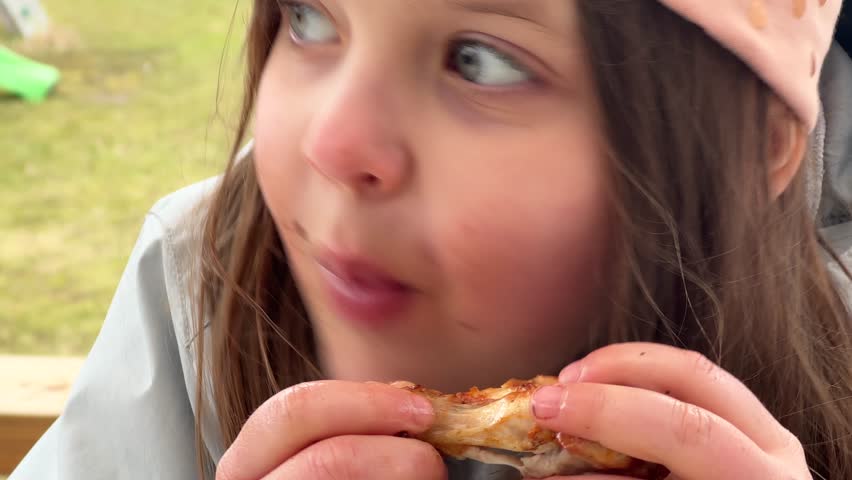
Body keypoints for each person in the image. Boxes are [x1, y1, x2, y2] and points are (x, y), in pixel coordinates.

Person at [10, 1, 852, 479]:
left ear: (754, 153)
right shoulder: (199, 278)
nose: (331, 145)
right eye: (308, 16)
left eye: (481, 60)